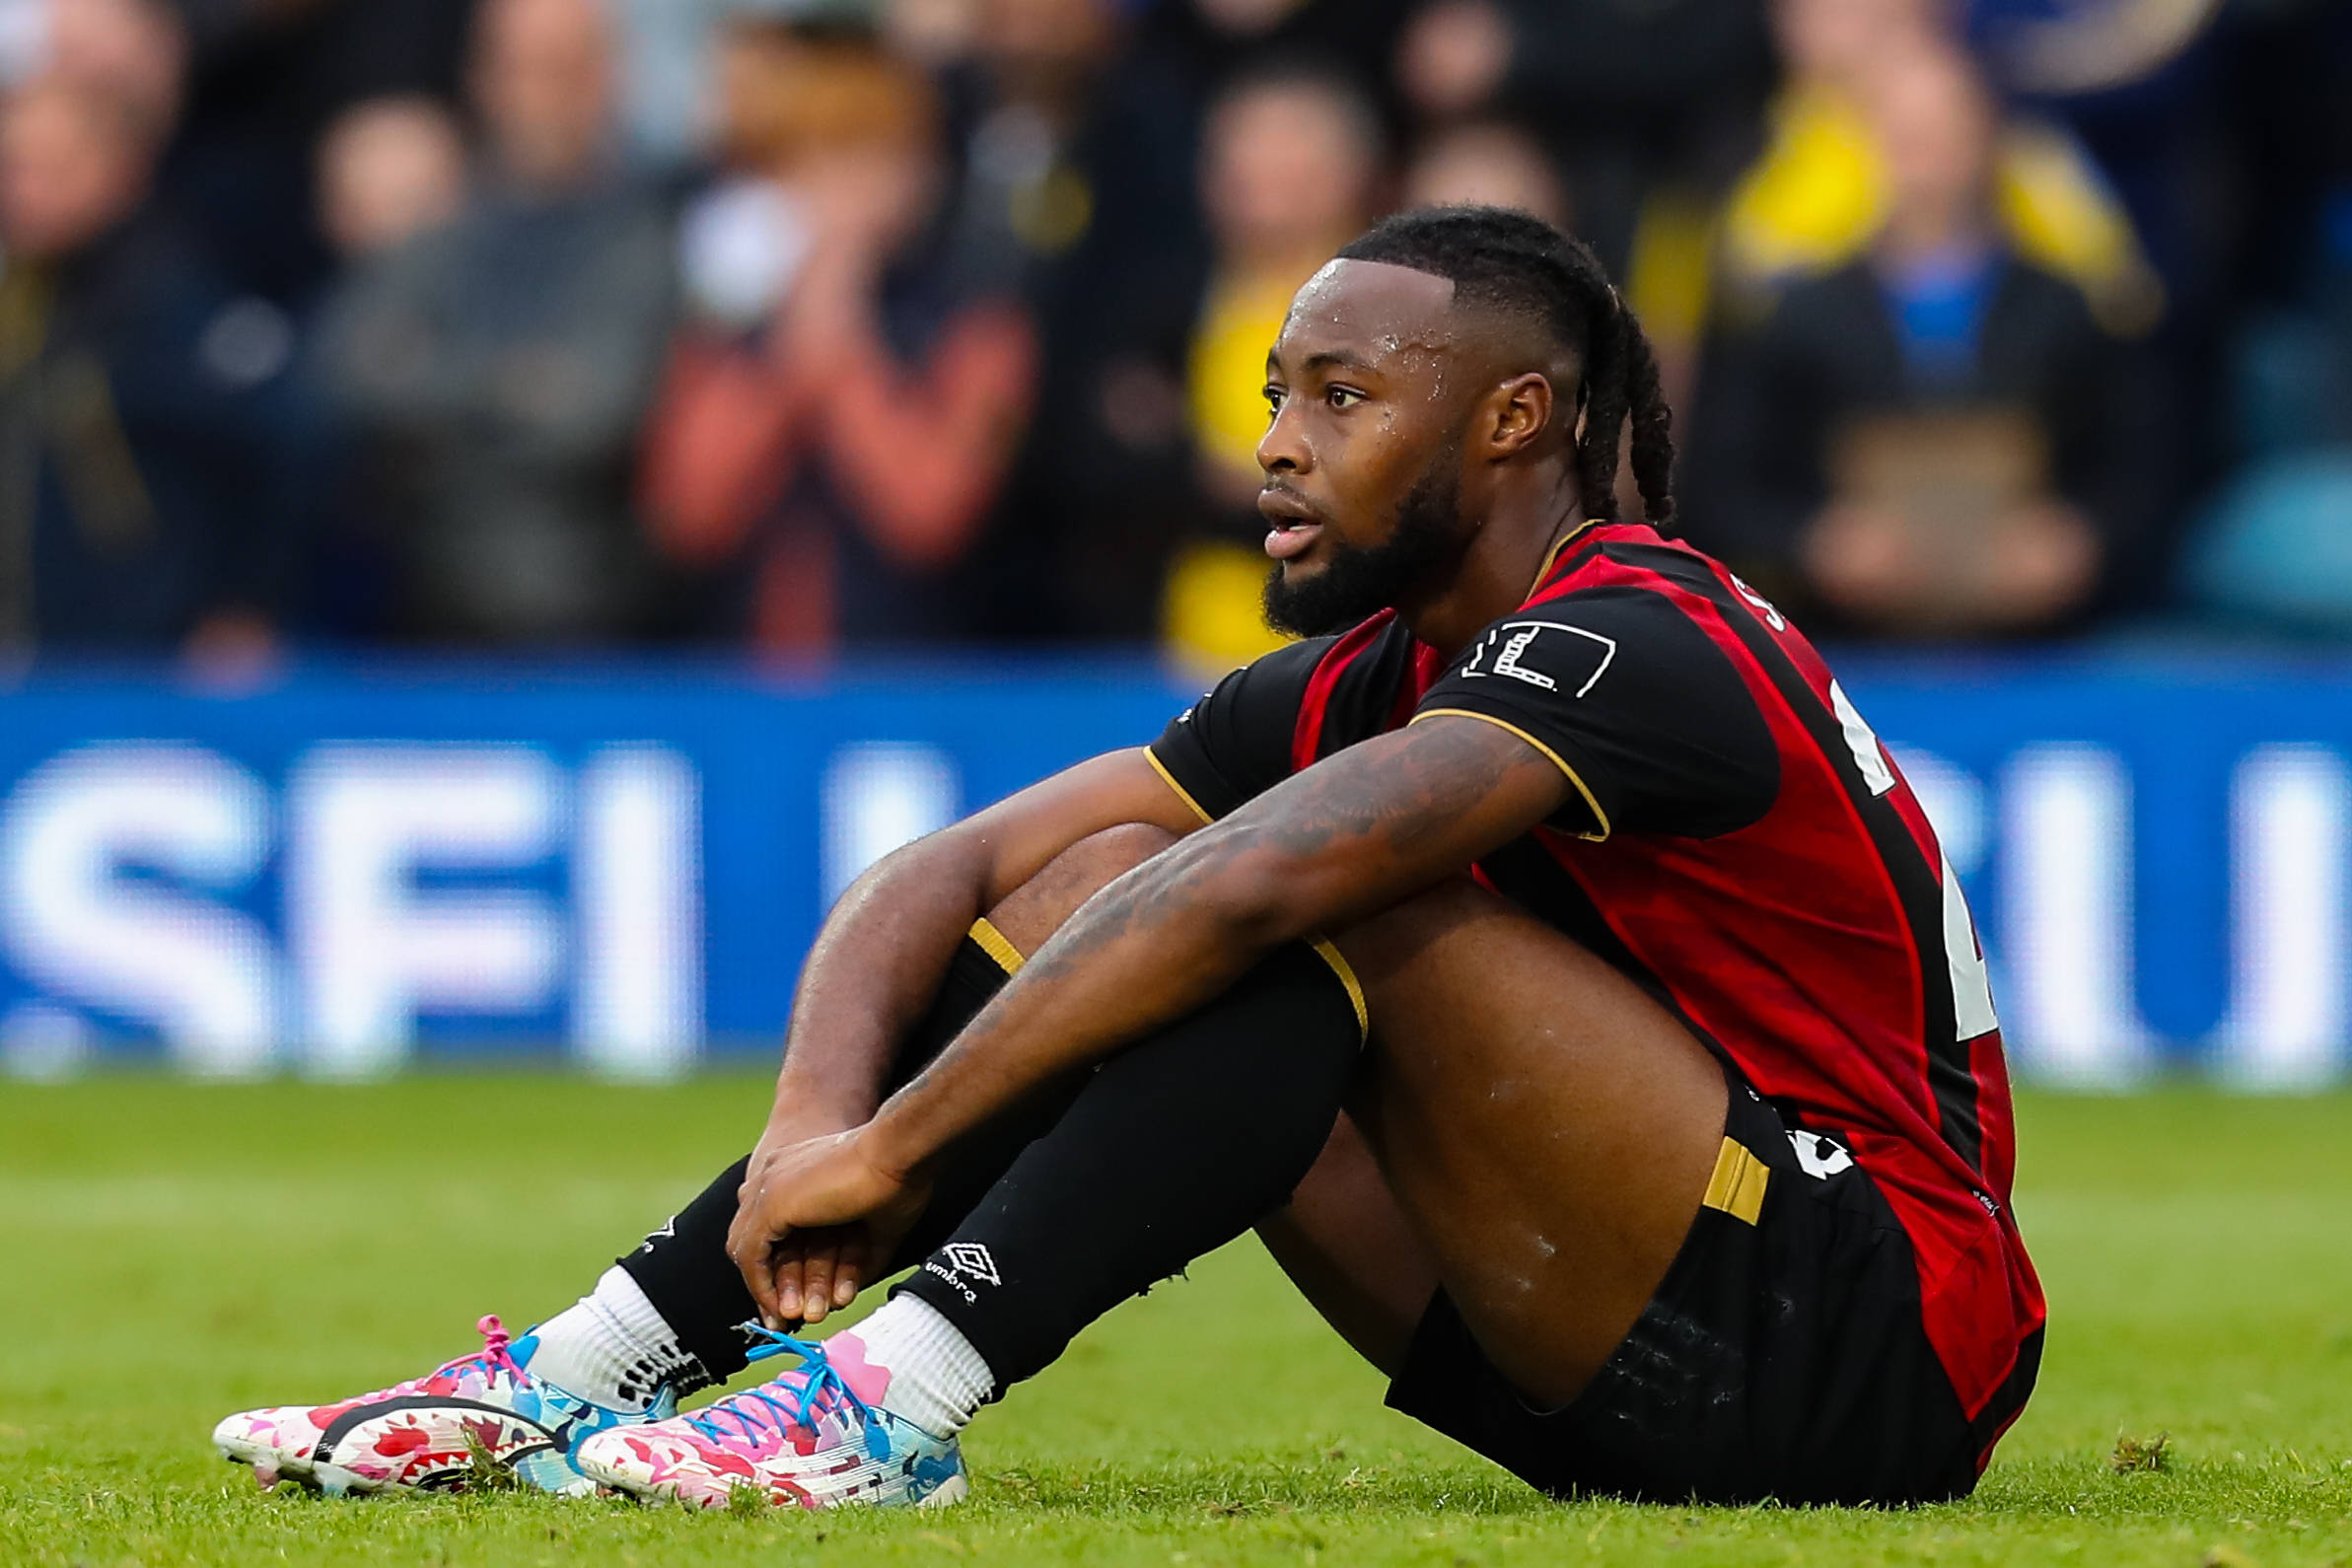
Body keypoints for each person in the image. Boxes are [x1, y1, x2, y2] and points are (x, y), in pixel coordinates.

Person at [213, 207, 2041, 1512]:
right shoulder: (1379, 675)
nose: (1273, 445)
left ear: (1513, 422)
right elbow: (952, 865)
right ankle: (585, 1367)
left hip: (1873, 1335)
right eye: (1277, 392)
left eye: (1341, 397)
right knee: (1115, 880)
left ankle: (883, 1401)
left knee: (1304, 900)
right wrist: (808, 1132)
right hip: (1596, 1353)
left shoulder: (1644, 632)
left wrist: (900, 1149)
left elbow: (1249, 891)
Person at [1681, 46, 2168, 636]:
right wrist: (1812, 542)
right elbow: (1723, 481)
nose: (1930, 160)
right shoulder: (1793, 315)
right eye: (1909, 135)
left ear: (1991, 137)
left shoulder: (2068, 310)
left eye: (1947, 133)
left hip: (2043, 644)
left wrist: (2080, 538)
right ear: (1869, 142)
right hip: (1843, 645)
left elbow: (2139, 462)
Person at [317, 0, 676, 645]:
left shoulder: (648, 228)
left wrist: (433, 380)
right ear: (480, 78)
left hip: (590, 622)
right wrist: (516, 384)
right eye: (521, 69)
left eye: (564, 69)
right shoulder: (438, 218)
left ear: (609, 77)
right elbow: (349, 381)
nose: (539, 95)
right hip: (416, 611)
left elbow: (592, 416)